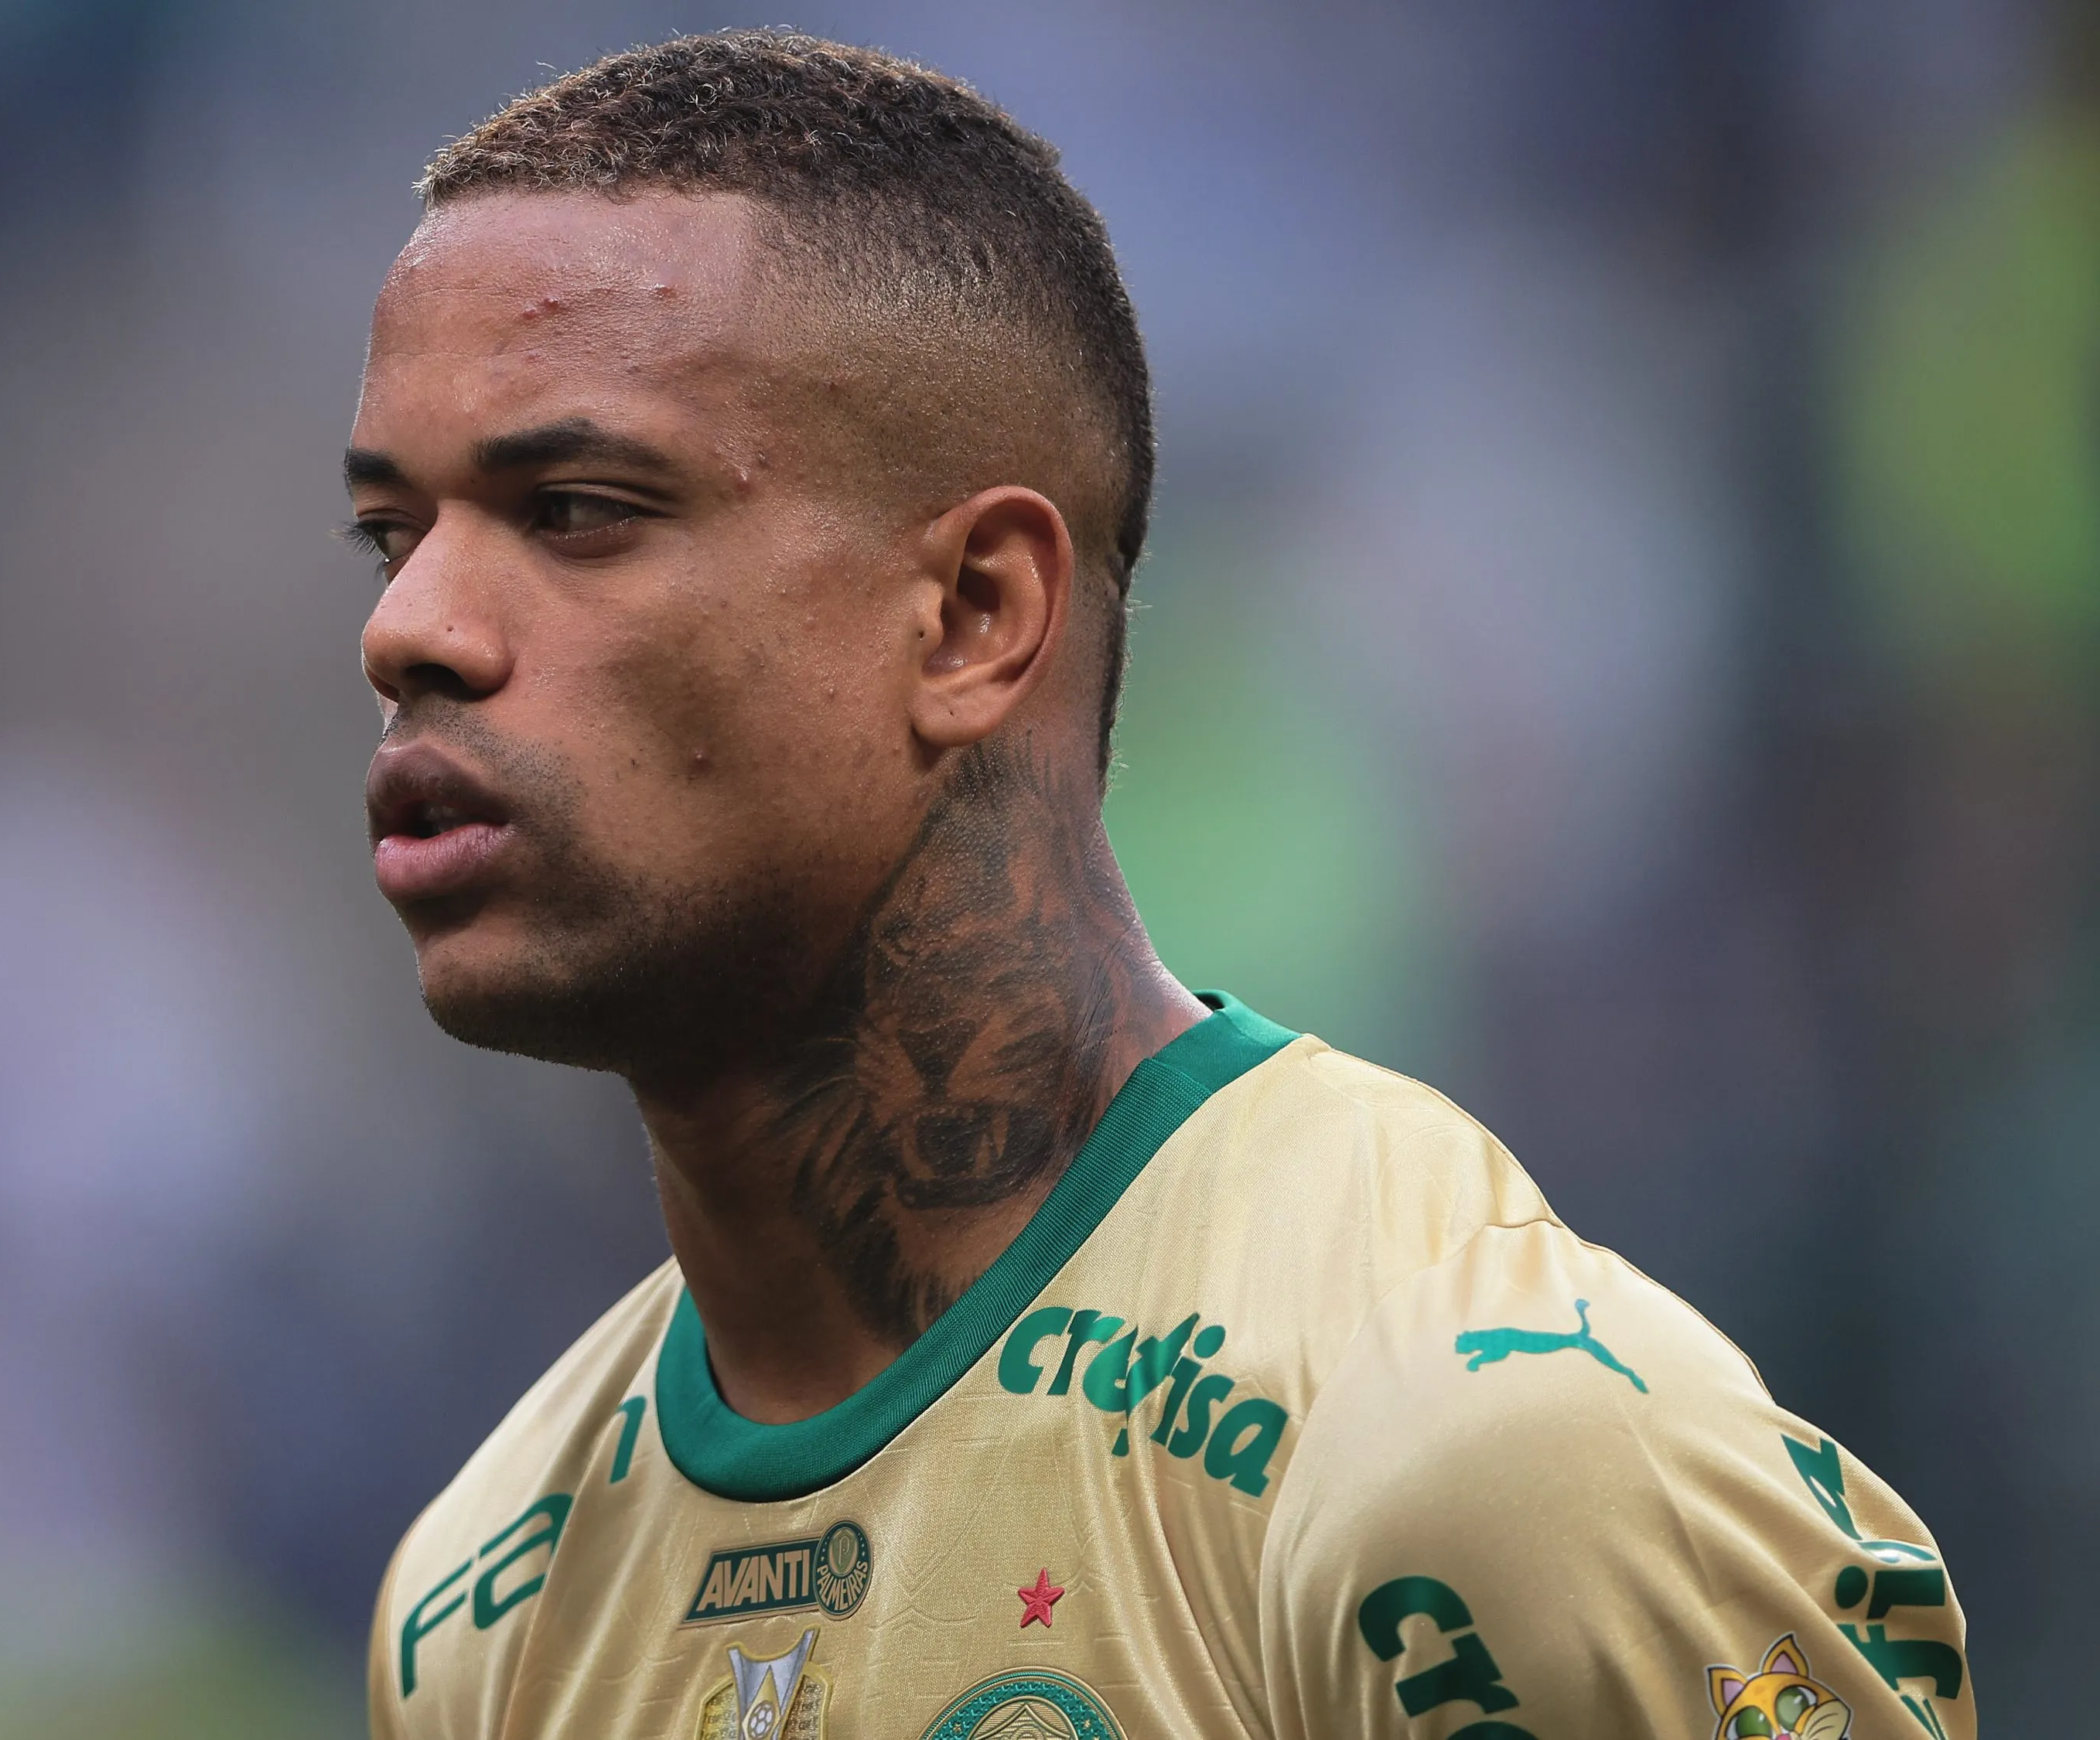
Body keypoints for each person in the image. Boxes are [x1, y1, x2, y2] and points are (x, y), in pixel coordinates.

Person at [342, 31, 1972, 1740]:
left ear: (973, 615)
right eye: (395, 535)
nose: (410, 629)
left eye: (578, 509)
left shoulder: (1478, 1468)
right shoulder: (476, 1609)